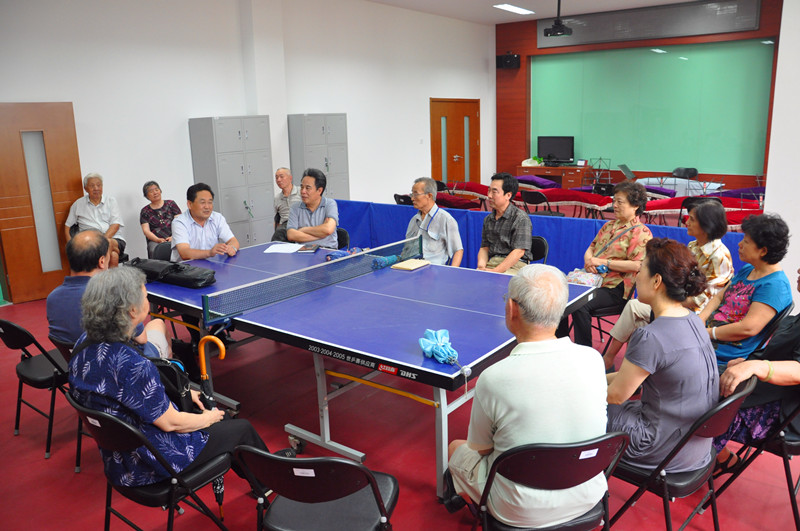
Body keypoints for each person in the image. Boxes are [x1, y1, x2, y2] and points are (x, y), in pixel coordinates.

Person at [68, 266, 272, 488]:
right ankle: (270, 484)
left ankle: (258, 480)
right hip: (152, 464)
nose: (148, 299)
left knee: (219, 420)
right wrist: (209, 418)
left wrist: (182, 391)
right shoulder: (134, 366)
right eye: (145, 296)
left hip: (117, 461)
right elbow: (171, 423)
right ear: (132, 311)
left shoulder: (84, 343)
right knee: (240, 428)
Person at [446, 264, 608, 528]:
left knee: (456, 447)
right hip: (588, 494)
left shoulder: (493, 377)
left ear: (512, 309)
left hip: (518, 508)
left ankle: (468, 503)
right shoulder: (593, 359)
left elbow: (482, 449)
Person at [607, 238, 719, 471]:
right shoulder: (694, 321)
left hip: (659, 449)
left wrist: (573, 387)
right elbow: (632, 376)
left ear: (656, 281)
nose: (636, 276)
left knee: (582, 409)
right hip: (693, 447)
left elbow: (615, 395)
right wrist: (592, 377)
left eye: (640, 270)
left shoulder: (650, 336)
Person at [602, 200, 734, 369]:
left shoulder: (719, 257)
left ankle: (611, 360)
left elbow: (703, 300)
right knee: (638, 325)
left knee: (635, 308)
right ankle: (626, 367)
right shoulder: (693, 246)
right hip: (678, 302)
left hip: (696, 314)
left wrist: (663, 300)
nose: (686, 222)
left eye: (692, 219)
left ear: (707, 225)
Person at [713, 266, 800, 477]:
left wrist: (755, 366)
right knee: (695, 379)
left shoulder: (775, 284)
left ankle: (698, 461)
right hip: (766, 388)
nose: (798, 270)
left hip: (783, 411)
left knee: (698, 399)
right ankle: (718, 458)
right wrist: (747, 362)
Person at [46, 229, 170, 359]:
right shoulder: (114, 294)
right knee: (158, 324)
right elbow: (141, 339)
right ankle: (167, 369)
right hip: (123, 361)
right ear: (102, 261)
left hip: (79, 363)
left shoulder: (52, 298)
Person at [557, 180, 652, 347]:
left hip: (616, 288)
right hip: (593, 281)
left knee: (579, 304)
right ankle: (561, 344)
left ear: (635, 206)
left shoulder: (641, 232)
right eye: (614, 201)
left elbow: (637, 265)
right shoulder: (609, 226)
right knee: (558, 297)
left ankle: (584, 351)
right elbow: (591, 247)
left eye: (620, 202)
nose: (614, 205)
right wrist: (589, 261)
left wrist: (603, 262)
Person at [699, 213, 792, 371]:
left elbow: (748, 328)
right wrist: (701, 319)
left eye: (746, 241)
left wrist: (707, 333)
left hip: (723, 356)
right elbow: (720, 296)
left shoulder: (775, 286)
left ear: (763, 251)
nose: (740, 244)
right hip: (706, 337)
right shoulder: (750, 269)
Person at [65, 173, 126, 268]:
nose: (96, 188)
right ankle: (108, 277)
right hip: (89, 241)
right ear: (85, 188)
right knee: (114, 256)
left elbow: (115, 225)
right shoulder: (78, 204)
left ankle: (99, 274)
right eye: (92, 186)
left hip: (113, 239)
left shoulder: (111, 201)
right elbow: (67, 226)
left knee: (108, 243)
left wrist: (101, 241)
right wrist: (71, 246)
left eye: (99, 185)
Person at [476, 173, 532, 275]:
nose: (489, 196)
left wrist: (495, 272)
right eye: (489, 191)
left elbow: (519, 251)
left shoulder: (520, 218)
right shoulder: (488, 219)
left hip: (516, 265)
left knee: (499, 281)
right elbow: (484, 248)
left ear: (508, 195)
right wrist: (481, 267)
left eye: (494, 192)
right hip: (493, 262)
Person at [171, 182, 240, 262]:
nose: (207, 207)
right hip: (185, 268)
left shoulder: (217, 218)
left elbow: (233, 241)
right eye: (202, 202)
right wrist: (210, 252)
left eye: (210, 202)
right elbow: (185, 253)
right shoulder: (179, 223)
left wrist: (232, 248)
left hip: (211, 265)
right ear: (189, 204)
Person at [405, 177, 463, 267]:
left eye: (416, 194)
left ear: (429, 196)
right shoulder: (414, 220)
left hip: (434, 271)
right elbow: (406, 249)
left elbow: (458, 250)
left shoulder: (446, 219)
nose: (412, 198)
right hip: (411, 268)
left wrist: (451, 272)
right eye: (412, 194)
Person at [286, 168, 339, 249]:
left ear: (319, 190)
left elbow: (328, 229)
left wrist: (303, 229)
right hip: (303, 251)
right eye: (302, 187)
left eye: (307, 188)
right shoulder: (295, 207)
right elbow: (291, 235)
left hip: (327, 250)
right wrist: (321, 235)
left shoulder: (330, 204)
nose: (303, 191)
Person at [140, 180, 181, 257]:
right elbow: (146, 231)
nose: (155, 193)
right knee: (154, 250)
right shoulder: (145, 211)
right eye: (151, 191)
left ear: (160, 191)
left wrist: (173, 237)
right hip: (155, 240)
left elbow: (180, 223)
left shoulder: (171, 204)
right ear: (146, 195)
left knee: (182, 248)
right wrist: (158, 240)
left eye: (156, 189)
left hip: (175, 236)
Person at [273, 167, 301, 231]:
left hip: (301, 227)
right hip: (285, 229)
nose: (278, 180)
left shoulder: (301, 192)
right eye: (276, 178)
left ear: (290, 178)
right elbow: (277, 219)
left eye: (281, 177)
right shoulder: (277, 198)